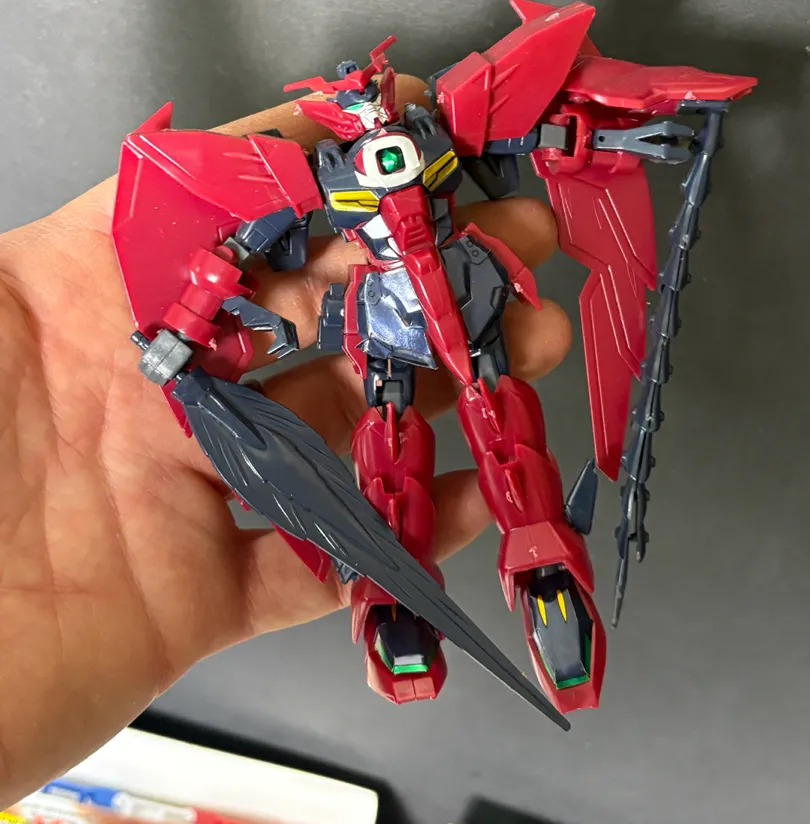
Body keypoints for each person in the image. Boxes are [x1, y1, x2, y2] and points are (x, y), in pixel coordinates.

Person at [0, 75, 571, 804]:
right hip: (385, 304)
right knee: (389, 447)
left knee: (503, 417)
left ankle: (548, 567)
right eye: (357, 106)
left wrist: (576, 134)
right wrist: (186, 327)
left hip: (465, 281)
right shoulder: (322, 171)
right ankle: (393, 600)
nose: (373, 113)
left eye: (374, 102)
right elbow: (238, 245)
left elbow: (522, 136)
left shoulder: (438, 130)